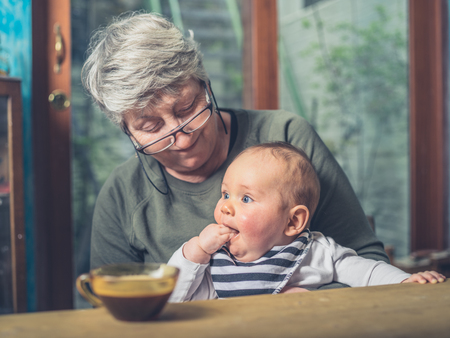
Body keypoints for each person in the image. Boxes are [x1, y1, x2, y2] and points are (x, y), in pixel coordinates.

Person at [83, 11, 389, 290]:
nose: (183, 139)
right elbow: (112, 308)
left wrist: (307, 306)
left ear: (205, 83)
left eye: (187, 108)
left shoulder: (285, 138)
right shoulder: (124, 194)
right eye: (151, 128)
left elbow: (366, 260)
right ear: (128, 130)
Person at [167, 143, 446, 302]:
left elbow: (369, 273)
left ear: (293, 221)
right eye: (226, 194)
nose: (225, 206)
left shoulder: (316, 253)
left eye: (246, 199)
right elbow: (174, 298)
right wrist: (194, 252)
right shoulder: (215, 260)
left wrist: (406, 281)